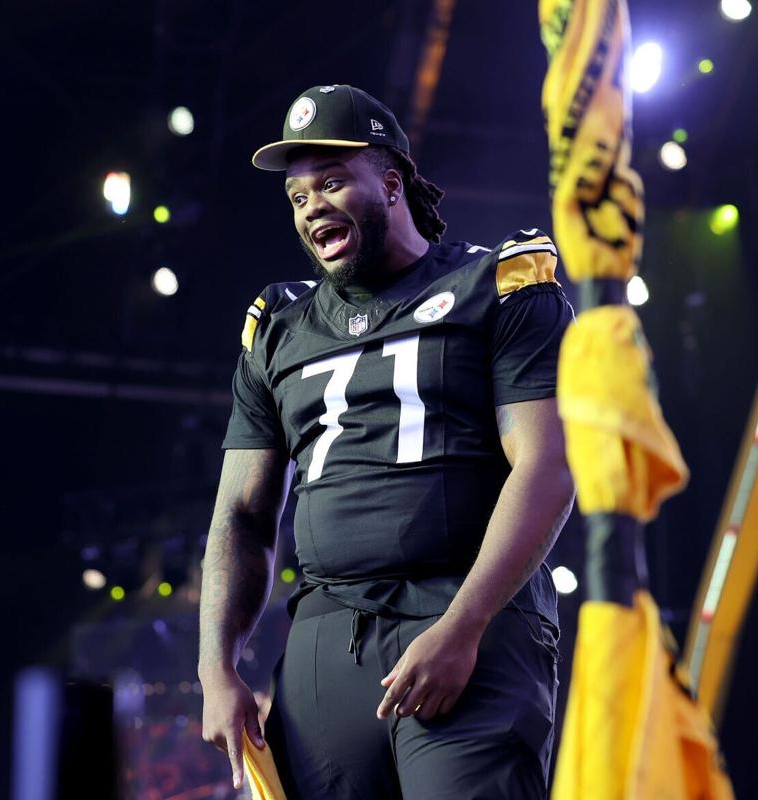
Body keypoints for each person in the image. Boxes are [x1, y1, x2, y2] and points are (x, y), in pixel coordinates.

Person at [198, 84, 576, 799]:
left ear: (393, 183)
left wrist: (465, 624)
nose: (311, 207)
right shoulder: (277, 328)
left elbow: (549, 467)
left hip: (467, 614)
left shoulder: (496, 286)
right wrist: (215, 668)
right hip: (323, 640)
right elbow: (241, 517)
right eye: (298, 196)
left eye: (333, 182)